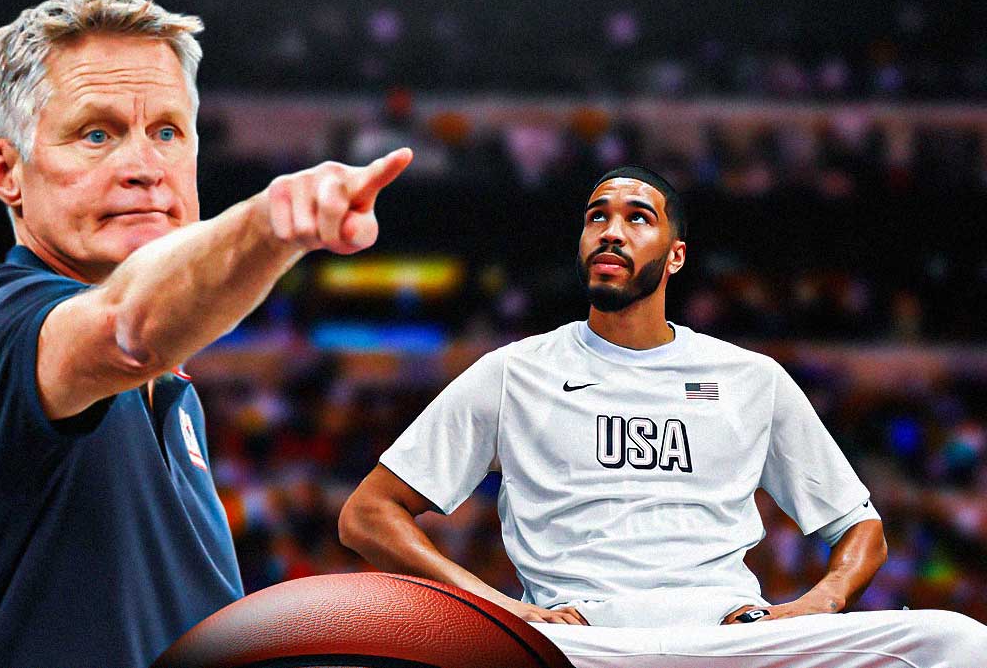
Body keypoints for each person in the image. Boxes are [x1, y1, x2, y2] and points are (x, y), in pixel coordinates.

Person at [0, 0, 411, 666]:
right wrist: (272, 223)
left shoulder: (174, 397)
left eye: (167, 131)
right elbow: (125, 326)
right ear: (6, 170)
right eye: (96, 133)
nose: (144, 165)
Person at [339, 166, 987, 667]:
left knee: (959, 642)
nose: (611, 230)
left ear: (676, 255)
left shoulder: (751, 377)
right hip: (582, 641)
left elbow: (862, 528)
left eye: (637, 217)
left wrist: (817, 604)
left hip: (733, 636)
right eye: (597, 217)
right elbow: (367, 512)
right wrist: (501, 610)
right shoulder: (513, 372)